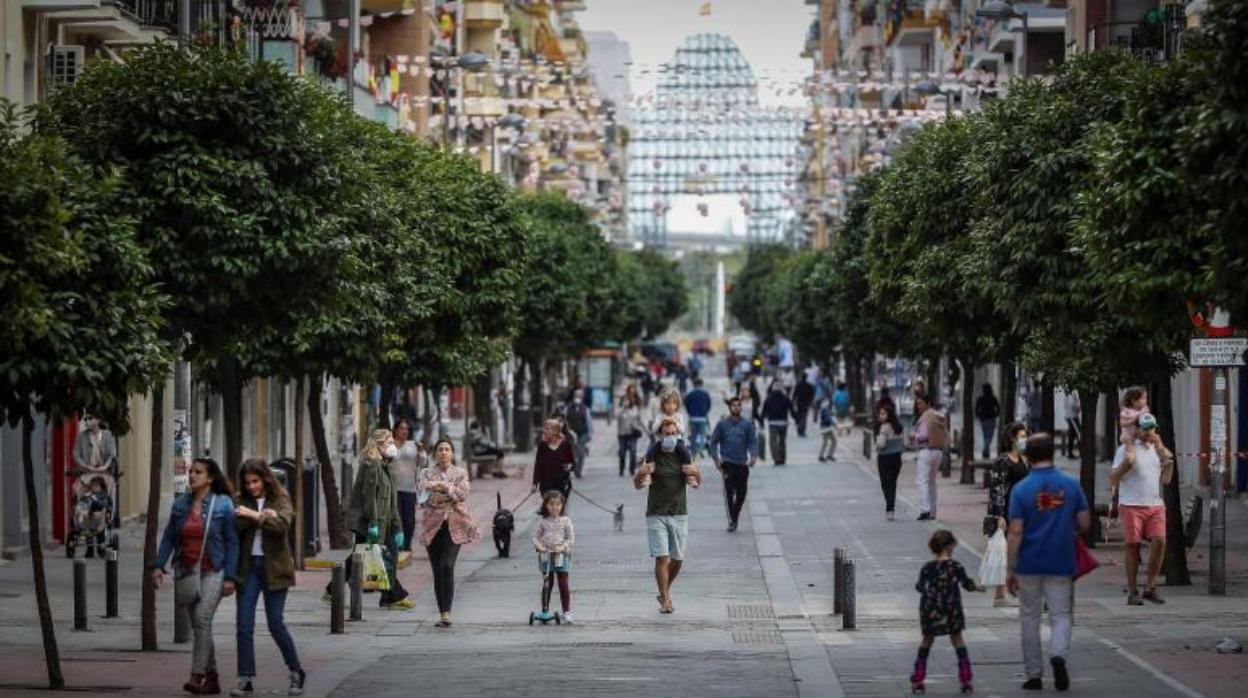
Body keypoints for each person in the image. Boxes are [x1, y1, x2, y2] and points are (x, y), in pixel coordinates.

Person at [1007, 433, 1090, 692]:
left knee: (1029, 618)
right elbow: (1085, 523)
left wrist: (1011, 567)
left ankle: (1034, 675)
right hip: (1061, 560)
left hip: (1029, 563)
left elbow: (1016, 531)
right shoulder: (1070, 484)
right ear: (1052, 454)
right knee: (1061, 614)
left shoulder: (1020, 489)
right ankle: (1058, 655)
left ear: (1028, 457)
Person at [151, 457, 238, 695]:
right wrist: (158, 566)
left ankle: (196, 675)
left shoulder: (223, 505)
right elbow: (169, 536)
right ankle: (213, 679)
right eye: (190, 472)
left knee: (200, 620)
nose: (191, 476)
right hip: (187, 571)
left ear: (210, 478)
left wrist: (231, 577)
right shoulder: (180, 505)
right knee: (202, 626)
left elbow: (232, 543)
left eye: (197, 472)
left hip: (214, 571)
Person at [230, 459, 305, 697]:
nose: (251, 486)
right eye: (247, 482)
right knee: (244, 624)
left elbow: (281, 526)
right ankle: (245, 679)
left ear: (265, 479)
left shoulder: (281, 498)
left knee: (275, 623)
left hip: (275, 567)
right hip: (248, 568)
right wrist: (263, 516)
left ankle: (296, 671)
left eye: (255, 481)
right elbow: (236, 523)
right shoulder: (239, 500)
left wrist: (255, 515)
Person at [324, 429, 413, 610]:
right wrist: (372, 524)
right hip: (370, 523)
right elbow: (369, 498)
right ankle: (393, 596)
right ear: (379, 445)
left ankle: (389, 596)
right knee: (367, 557)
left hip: (384, 522)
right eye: (388, 441)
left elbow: (391, 502)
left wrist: (398, 528)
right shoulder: (372, 466)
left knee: (371, 557)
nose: (392, 445)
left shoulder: (384, 466)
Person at [635, 418, 701, 613]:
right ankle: (666, 599)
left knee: (678, 559)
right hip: (656, 513)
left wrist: (696, 473)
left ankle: (665, 590)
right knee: (661, 558)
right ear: (660, 435)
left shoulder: (683, 455)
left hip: (679, 513)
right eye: (666, 434)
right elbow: (638, 484)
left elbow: (697, 482)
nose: (670, 437)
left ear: (677, 434)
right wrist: (641, 473)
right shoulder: (653, 457)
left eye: (673, 434)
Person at [1110, 413, 1174, 606]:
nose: (1148, 432)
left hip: (1155, 505)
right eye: (1145, 428)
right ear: (1137, 429)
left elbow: (1166, 480)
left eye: (1152, 428)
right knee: (1133, 545)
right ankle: (1132, 591)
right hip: (1131, 505)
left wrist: (1167, 462)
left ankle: (1150, 587)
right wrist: (1126, 464)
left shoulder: (1158, 449)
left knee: (1160, 541)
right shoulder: (1125, 450)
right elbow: (1113, 479)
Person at [910, 529, 982, 694]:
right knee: (957, 640)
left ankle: (918, 678)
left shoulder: (927, 568)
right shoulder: (955, 566)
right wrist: (978, 588)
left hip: (930, 609)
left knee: (927, 641)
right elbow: (967, 585)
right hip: (951, 608)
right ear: (950, 546)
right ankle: (965, 679)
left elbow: (919, 587)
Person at [419, 438, 480, 627]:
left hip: (455, 525)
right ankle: (443, 613)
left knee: (447, 565)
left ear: (452, 453)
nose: (443, 452)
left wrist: (442, 487)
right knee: (437, 570)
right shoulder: (426, 473)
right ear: (435, 453)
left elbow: (463, 494)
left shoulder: (461, 472)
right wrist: (447, 492)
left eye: (447, 449)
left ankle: (448, 611)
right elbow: (424, 496)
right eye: (440, 449)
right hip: (432, 525)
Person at [986, 422, 1030, 605]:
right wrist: (999, 515)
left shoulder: (1024, 460)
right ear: (1012, 439)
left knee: (1020, 549)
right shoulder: (1003, 461)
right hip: (1007, 511)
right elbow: (997, 489)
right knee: (1003, 551)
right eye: (1021, 436)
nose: (1024, 440)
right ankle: (999, 593)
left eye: (1025, 436)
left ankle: (1018, 587)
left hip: (1022, 511)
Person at [709, 396, 758, 532]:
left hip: (742, 464)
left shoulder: (747, 425)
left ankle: (734, 515)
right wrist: (716, 459)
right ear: (730, 407)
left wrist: (753, 456)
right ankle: (732, 521)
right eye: (733, 405)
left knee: (742, 494)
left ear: (741, 408)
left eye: (738, 405)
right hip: (727, 463)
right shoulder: (722, 424)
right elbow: (713, 442)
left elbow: (753, 441)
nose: (736, 407)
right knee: (729, 494)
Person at [532, 490, 576, 623]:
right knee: (547, 582)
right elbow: (535, 537)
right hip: (546, 555)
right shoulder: (543, 522)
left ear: (562, 506)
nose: (555, 507)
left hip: (561, 555)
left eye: (558, 504)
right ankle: (545, 610)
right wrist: (539, 546)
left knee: (563, 582)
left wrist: (563, 547)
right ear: (546, 505)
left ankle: (566, 611)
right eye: (551, 504)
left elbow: (571, 538)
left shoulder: (566, 521)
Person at [913, 394, 948, 521]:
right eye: (917, 404)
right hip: (938, 451)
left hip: (926, 450)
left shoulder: (925, 417)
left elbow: (922, 436)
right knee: (932, 482)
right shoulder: (939, 416)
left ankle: (925, 510)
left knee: (922, 481)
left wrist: (914, 436)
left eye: (920, 403)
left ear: (928, 403)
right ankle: (933, 512)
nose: (918, 406)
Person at [391, 419, 424, 552]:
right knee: (396, 518)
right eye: (402, 428)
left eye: (407, 429)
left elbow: (422, 462)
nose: (405, 431)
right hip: (392, 488)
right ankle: (396, 545)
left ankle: (407, 544)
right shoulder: (389, 445)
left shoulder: (413, 445)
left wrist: (421, 450)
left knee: (409, 519)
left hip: (409, 488)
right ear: (395, 430)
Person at [532, 418, 576, 513]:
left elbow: (573, 464)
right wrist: (535, 483)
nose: (545, 431)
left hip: (562, 484)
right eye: (545, 428)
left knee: (559, 512)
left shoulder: (565, 445)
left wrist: (569, 466)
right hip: (546, 484)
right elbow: (538, 465)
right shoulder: (542, 446)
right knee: (549, 512)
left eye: (548, 429)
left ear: (556, 431)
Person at [874, 405, 905, 520]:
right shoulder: (899, 427)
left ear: (889, 415)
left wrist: (877, 442)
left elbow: (881, 444)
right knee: (892, 483)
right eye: (880, 414)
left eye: (883, 414)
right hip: (896, 457)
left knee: (885, 483)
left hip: (884, 458)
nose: (880, 416)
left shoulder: (884, 427)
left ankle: (889, 508)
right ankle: (890, 508)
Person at [761, 382, 796, 465]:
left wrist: (761, 420)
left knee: (773, 441)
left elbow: (764, 411)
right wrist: (796, 418)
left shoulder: (769, 398)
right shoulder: (785, 398)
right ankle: (782, 458)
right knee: (782, 441)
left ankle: (776, 458)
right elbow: (791, 409)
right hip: (783, 423)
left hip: (772, 423)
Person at [616, 384, 645, 477]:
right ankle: (621, 468)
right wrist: (624, 407)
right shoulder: (622, 406)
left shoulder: (636, 406)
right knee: (622, 452)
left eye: (633, 392)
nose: (630, 399)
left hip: (633, 432)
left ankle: (632, 469)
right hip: (622, 432)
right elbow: (617, 416)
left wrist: (647, 430)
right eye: (630, 392)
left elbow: (640, 419)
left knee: (633, 451)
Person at [563, 392, 593, 479]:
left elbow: (589, 422)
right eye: (576, 396)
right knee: (571, 453)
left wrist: (590, 434)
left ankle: (578, 471)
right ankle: (573, 468)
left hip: (582, 434)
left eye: (579, 396)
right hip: (571, 434)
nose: (577, 398)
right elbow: (563, 419)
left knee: (580, 452)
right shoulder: (568, 408)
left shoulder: (585, 409)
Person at [1118, 387, 1149, 467]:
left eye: (1145, 398)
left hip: (1138, 435)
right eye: (1142, 399)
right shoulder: (1126, 411)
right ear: (1133, 401)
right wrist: (1132, 421)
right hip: (1127, 435)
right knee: (1129, 443)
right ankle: (1131, 459)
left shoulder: (1143, 410)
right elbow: (1122, 424)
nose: (1145, 401)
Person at [684, 377, 712, 458]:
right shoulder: (705, 394)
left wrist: (689, 412)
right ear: (702, 384)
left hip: (693, 418)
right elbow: (709, 404)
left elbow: (686, 404)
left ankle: (693, 452)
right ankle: (700, 449)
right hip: (702, 418)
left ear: (694, 385)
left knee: (693, 435)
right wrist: (705, 412)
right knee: (702, 435)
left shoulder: (690, 394)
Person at [974, 383, 1001, 460]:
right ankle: (985, 449)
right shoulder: (993, 398)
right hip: (991, 419)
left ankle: (986, 452)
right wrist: (996, 414)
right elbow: (998, 408)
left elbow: (976, 409)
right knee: (989, 437)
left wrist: (979, 416)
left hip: (983, 420)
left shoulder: (980, 399)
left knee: (985, 436)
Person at [792, 373, 815, 438]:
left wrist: (793, 402)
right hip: (806, 403)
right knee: (804, 417)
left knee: (799, 416)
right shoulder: (809, 386)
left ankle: (799, 429)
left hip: (799, 403)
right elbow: (812, 394)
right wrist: (810, 401)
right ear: (806, 378)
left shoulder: (798, 385)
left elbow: (795, 394)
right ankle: (802, 431)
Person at [1063, 391, 1081, 459]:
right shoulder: (1072, 394)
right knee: (1078, 434)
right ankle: (1077, 452)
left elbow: (1066, 405)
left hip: (1070, 416)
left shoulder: (1066, 396)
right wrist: (1079, 407)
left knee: (1072, 435)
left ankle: (1070, 453)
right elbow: (1073, 404)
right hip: (1073, 417)